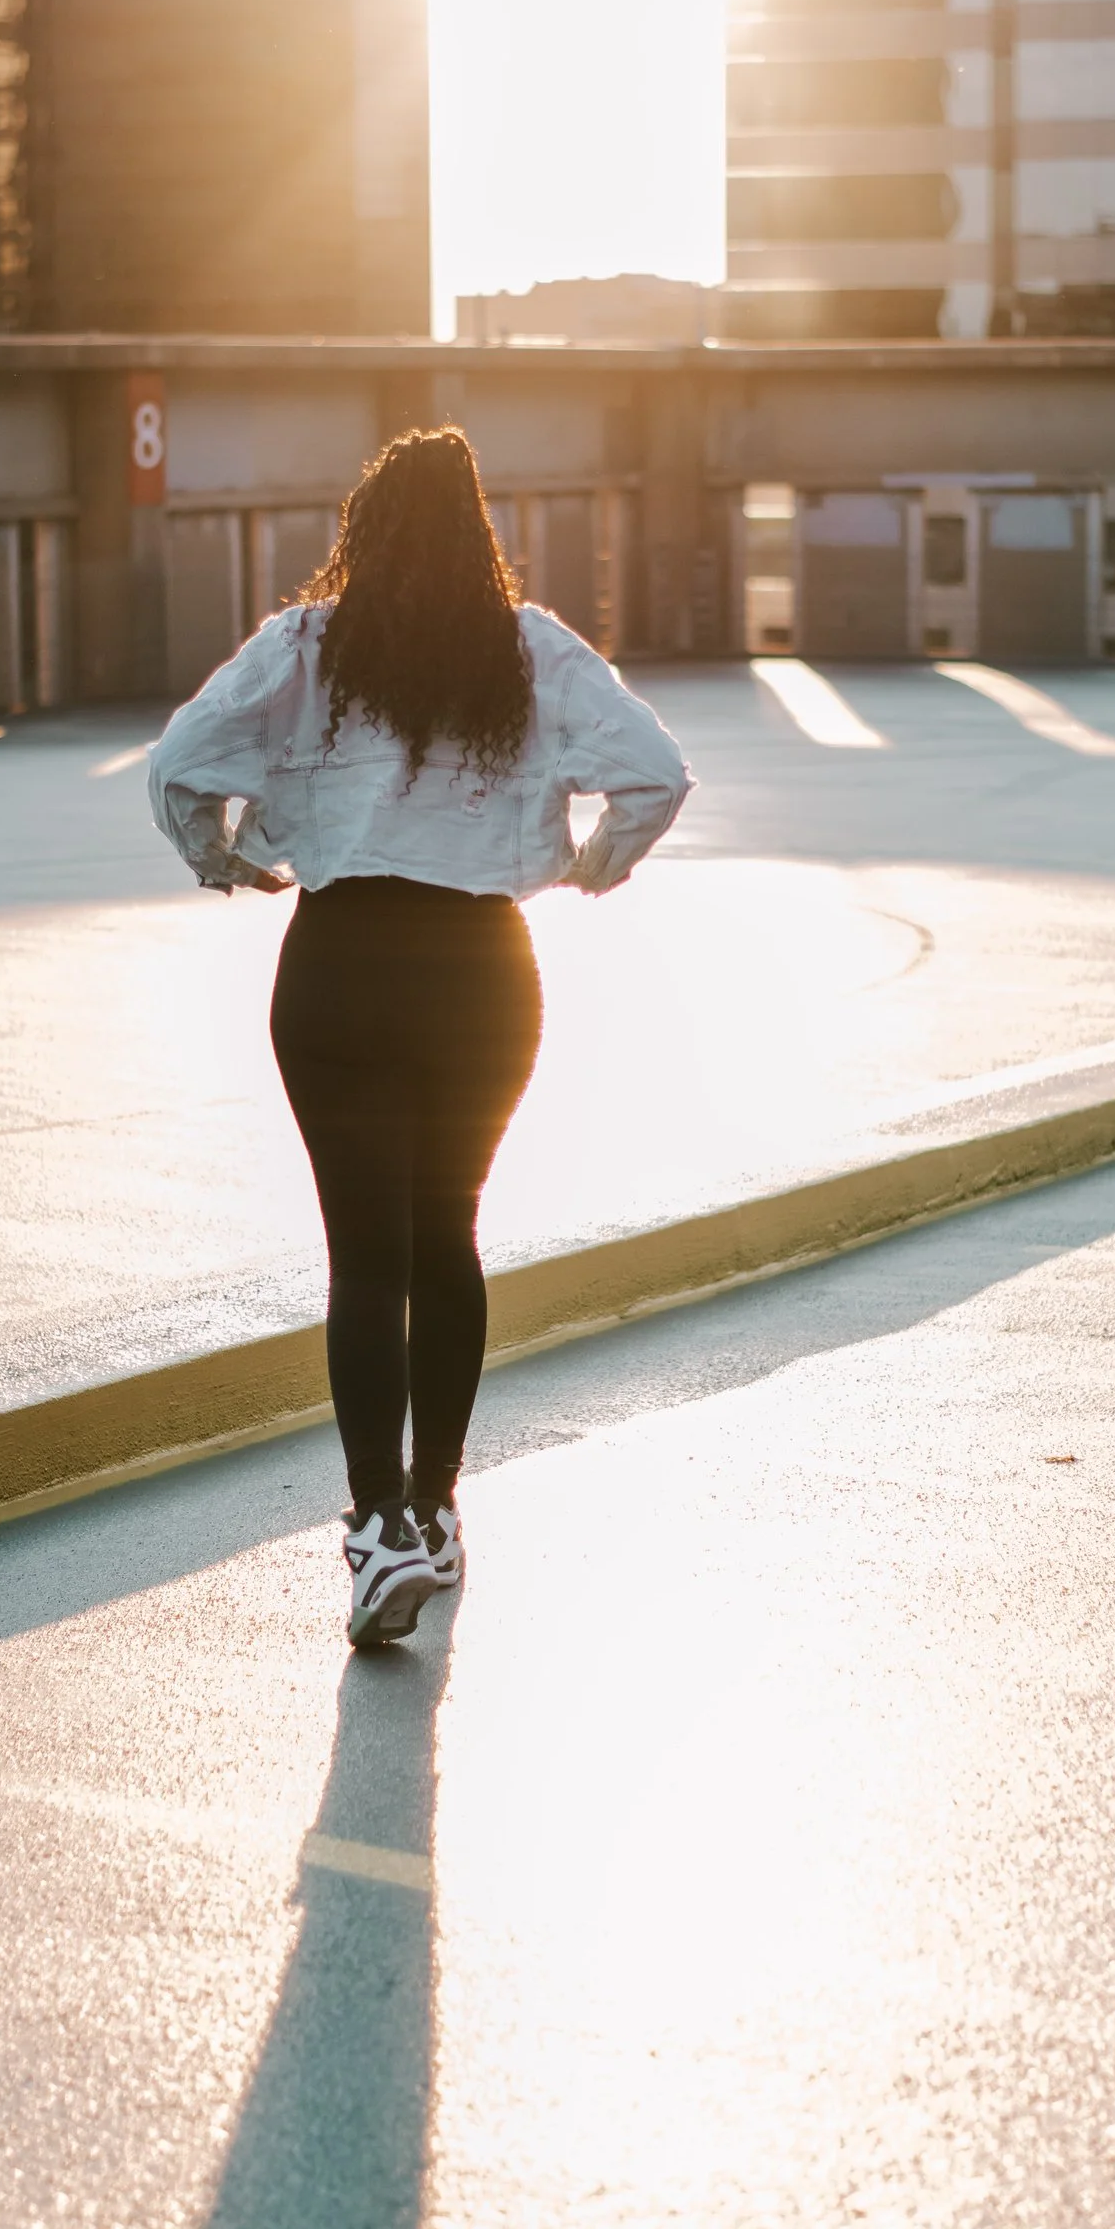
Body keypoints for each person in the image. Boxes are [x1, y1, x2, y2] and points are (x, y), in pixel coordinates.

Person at [147, 427, 692, 1649]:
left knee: (362, 1256)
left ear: (363, 528)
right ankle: (437, 1513)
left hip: (337, 966)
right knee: (446, 1236)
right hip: (477, 971)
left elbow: (181, 765)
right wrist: (587, 867)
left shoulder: (304, 644)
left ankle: (374, 1525)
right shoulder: (530, 648)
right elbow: (655, 773)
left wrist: (225, 859)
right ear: (478, 530)